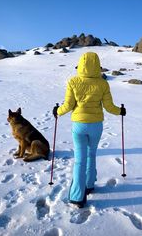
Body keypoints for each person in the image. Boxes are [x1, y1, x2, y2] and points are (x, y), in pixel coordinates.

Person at [53, 52, 126, 208]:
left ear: (81, 64)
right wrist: (120, 111)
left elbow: (68, 106)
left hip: (78, 125)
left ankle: (77, 197)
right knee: (91, 154)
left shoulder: (73, 81)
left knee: (80, 160)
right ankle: (90, 184)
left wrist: (57, 111)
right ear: (97, 65)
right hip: (96, 125)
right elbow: (109, 107)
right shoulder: (103, 83)